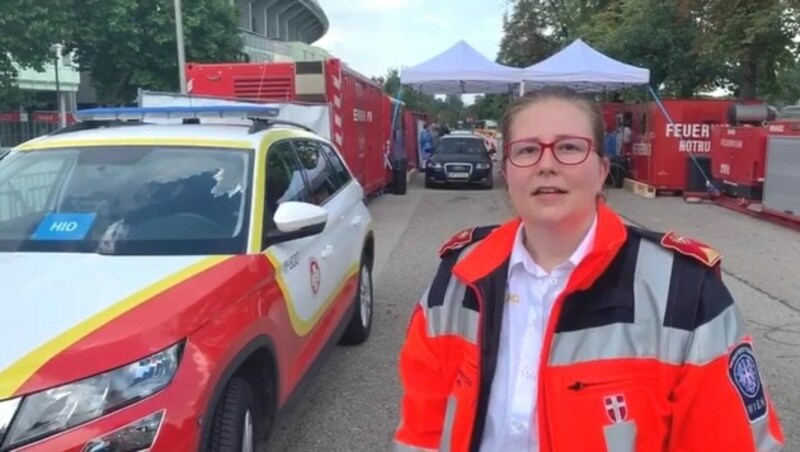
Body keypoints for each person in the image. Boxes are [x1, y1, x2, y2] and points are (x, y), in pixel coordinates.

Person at [393, 86, 784, 452]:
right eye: (527, 151)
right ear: (507, 172)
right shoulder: (457, 278)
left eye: (568, 147)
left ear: (601, 170)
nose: (547, 165)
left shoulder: (683, 291)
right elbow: (422, 431)